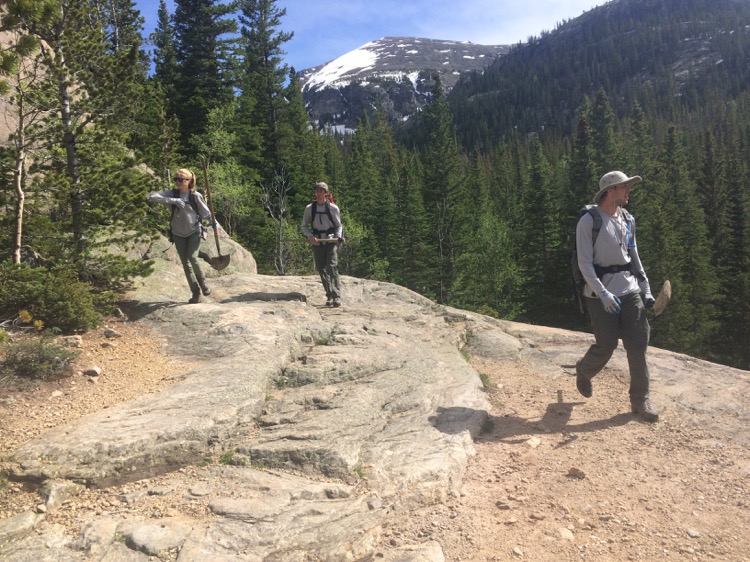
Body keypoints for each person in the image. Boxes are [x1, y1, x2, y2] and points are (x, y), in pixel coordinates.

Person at [575, 171, 659, 422]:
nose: (628, 191)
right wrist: (602, 294)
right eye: (625, 187)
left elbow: (634, 256)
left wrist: (645, 289)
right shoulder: (589, 222)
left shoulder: (628, 219)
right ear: (610, 190)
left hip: (630, 290)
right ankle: (584, 370)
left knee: (638, 345)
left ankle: (640, 401)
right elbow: (584, 263)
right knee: (607, 345)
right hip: (600, 294)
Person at [148, 168, 216, 304]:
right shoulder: (172, 193)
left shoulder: (195, 196)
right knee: (185, 264)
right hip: (177, 233)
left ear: (189, 181)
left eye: (181, 179)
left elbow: (206, 213)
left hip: (194, 231)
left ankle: (203, 282)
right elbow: (152, 197)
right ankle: (195, 292)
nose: (177, 182)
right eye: (176, 179)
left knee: (193, 258)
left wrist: (214, 224)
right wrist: (173, 200)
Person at [301, 181, 343, 307]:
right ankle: (329, 295)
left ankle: (336, 296)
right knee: (321, 269)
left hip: (330, 242)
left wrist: (338, 238)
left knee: (332, 267)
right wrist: (310, 236)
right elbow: (304, 226)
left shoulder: (333, 208)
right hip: (317, 243)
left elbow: (338, 226)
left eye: (321, 191)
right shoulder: (310, 209)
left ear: (326, 193)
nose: (318, 193)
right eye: (317, 191)